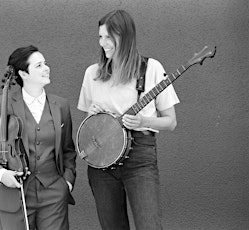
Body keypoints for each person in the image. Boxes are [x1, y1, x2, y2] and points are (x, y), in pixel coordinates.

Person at [77, 10, 180, 230]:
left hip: (139, 160)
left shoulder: (151, 68)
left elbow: (170, 121)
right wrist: (93, 114)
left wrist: (144, 122)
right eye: (100, 37)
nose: (103, 43)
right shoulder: (92, 73)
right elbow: (88, 124)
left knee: (149, 226)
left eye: (108, 37)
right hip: (101, 162)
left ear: (124, 37)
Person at [0, 45, 77, 230]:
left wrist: (67, 182)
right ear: (23, 73)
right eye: (39, 65)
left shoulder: (61, 105)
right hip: (14, 193)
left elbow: (68, 149)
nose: (46, 68)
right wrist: (1, 174)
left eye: (45, 63)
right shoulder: (3, 103)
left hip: (54, 193)